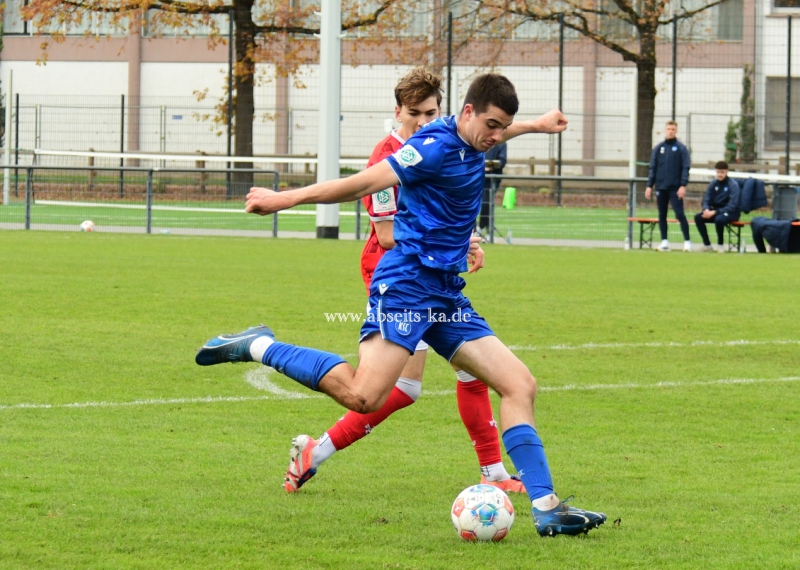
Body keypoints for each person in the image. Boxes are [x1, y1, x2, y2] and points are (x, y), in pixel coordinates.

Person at [196, 73, 606, 537]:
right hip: (407, 285)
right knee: (365, 396)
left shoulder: (472, 137)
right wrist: (284, 198)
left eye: (502, 127)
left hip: (445, 291)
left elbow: (497, 132)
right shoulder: (430, 148)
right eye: (491, 125)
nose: (496, 136)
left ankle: (548, 509)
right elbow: (363, 182)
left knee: (519, 384)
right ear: (468, 112)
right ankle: (257, 345)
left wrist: (535, 125)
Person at [283, 68, 524, 496]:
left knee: (472, 372)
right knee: (404, 387)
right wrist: (454, 242)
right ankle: (315, 450)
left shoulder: (449, 142)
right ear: (398, 113)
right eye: (415, 114)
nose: (423, 121)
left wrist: (462, 240)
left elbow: (489, 140)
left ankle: (493, 472)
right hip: (397, 273)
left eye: (431, 112)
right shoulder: (389, 156)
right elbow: (387, 235)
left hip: (434, 273)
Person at [645, 121, 692, 252]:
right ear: (665, 130)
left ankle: (687, 242)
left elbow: (685, 168)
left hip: (675, 188)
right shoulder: (658, 148)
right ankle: (664, 242)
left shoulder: (681, 148)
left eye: (673, 129)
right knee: (662, 214)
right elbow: (653, 168)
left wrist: (683, 185)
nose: (670, 131)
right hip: (661, 187)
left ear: (676, 131)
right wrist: (649, 185)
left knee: (679, 214)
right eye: (668, 129)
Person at [694, 161, 741, 252]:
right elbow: (706, 199)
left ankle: (720, 245)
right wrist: (706, 209)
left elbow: (732, 205)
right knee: (698, 217)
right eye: (718, 172)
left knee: (719, 219)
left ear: (727, 172)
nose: (720, 174)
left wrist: (715, 212)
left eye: (722, 172)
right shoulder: (713, 184)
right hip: (715, 211)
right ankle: (707, 245)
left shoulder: (733, 185)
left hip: (731, 212)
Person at [478, 141, 507, 234]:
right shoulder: (481, 141)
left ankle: (483, 228)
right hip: (479, 177)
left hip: (492, 180)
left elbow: (502, 161)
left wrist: (490, 165)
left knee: (487, 202)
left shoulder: (502, 144)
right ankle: (477, 228)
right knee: (477, 203)